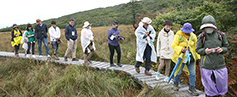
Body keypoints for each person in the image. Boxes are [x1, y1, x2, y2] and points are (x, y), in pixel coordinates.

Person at [196, 15, 229, 97]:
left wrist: (221, 50)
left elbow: (226, 47)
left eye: (210, 27)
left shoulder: (221, 35)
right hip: (206, 66)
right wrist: (205, 51)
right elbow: (198, 49)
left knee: (219, 87)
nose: (208, 29)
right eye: (206, 27)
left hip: (219, 65)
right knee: (209, 89)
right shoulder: (201, 37)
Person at [171, 23, 200, 96]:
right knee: (178, 72)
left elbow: (196, 47)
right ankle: (176, 83)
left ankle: (192, 87)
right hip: (181, 57)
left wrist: (198, 57)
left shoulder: (193, 36)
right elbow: (174, 45)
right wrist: (181, 49)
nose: (187, 32)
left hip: (191, 57)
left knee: (192, 73)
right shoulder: (178, 36)